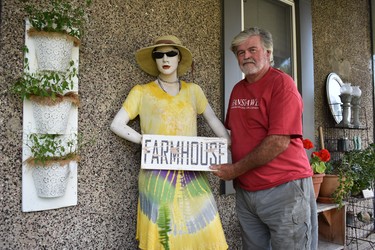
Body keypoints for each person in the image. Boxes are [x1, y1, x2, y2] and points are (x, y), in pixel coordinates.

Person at [110, 35, 230, 250]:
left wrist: (227, 143)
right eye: (159, 54)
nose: (165, 58)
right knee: (163, 234)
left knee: (205, 229)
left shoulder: (194, 91)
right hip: (157, 175)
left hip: (192, 173)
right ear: (154, 60)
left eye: (170, 53)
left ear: (179, 58)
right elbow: (117, 124)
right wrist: (145, 141)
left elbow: (212, 119)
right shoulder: (141, 92)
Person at [210, 27, 318, 250]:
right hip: (247, 194)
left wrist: (234, 170)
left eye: (252, 49)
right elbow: (232, 135)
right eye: (240, 52)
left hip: (284, 189)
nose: (246, 56)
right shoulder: (238, 90)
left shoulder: (282, 84)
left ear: (268, 53)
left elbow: (278, 141)